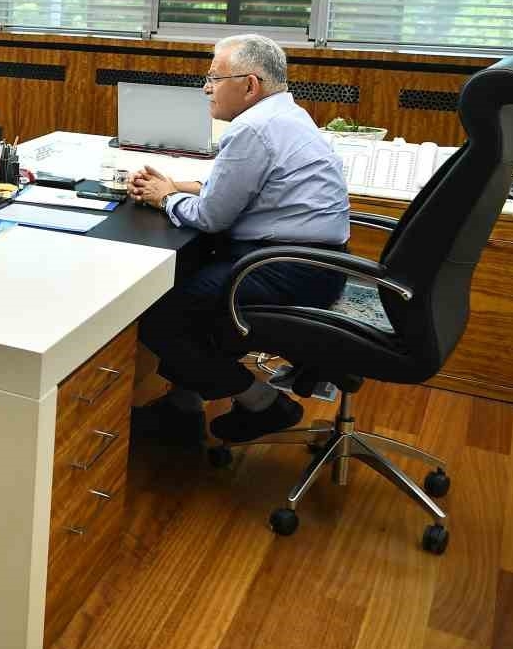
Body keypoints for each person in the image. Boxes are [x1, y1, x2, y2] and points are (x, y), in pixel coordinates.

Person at [127, 33, 350, 446]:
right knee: (192, 278)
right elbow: (243, 188)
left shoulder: (253, 128)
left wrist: (166, 198)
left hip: (286, 268)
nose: (206, 88)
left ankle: (264, 403)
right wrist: (177, 186)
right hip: (316, 261)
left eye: (214, 78)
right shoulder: (286, 114)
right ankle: (183, 407)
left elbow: (211, 217)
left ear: (249, 85)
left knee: (160, 314)